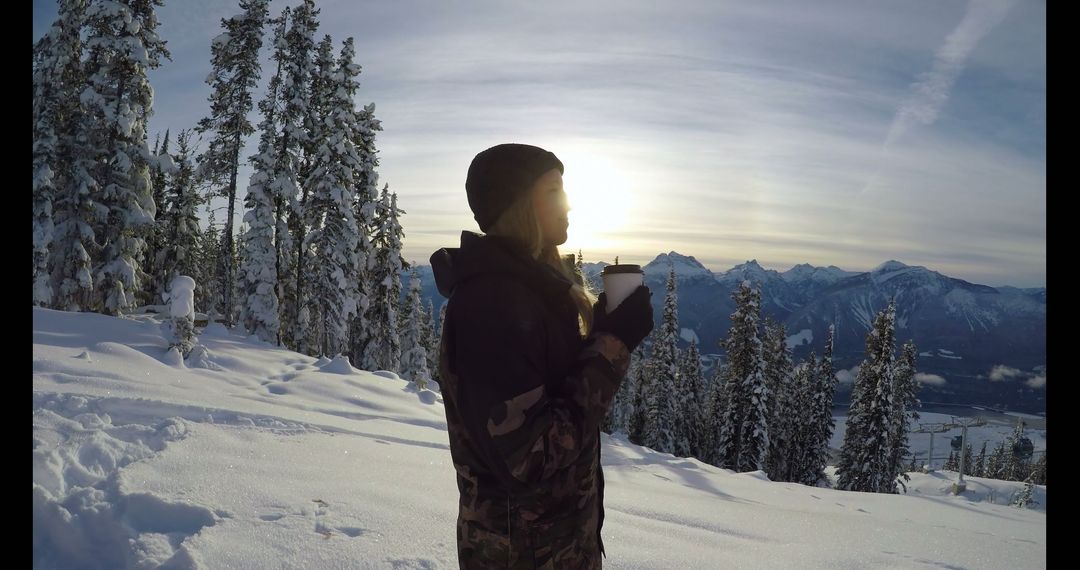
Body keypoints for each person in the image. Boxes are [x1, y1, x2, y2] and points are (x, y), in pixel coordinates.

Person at [430, 143, 654, 568]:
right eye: (553, 190)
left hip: (554, 544)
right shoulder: (493, 304)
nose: (567, 204)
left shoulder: (532, 290)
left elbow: (558, 396)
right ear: (516, 204)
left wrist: (602, 330)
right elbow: (533, 456)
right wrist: (613, 344)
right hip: (521, 553)